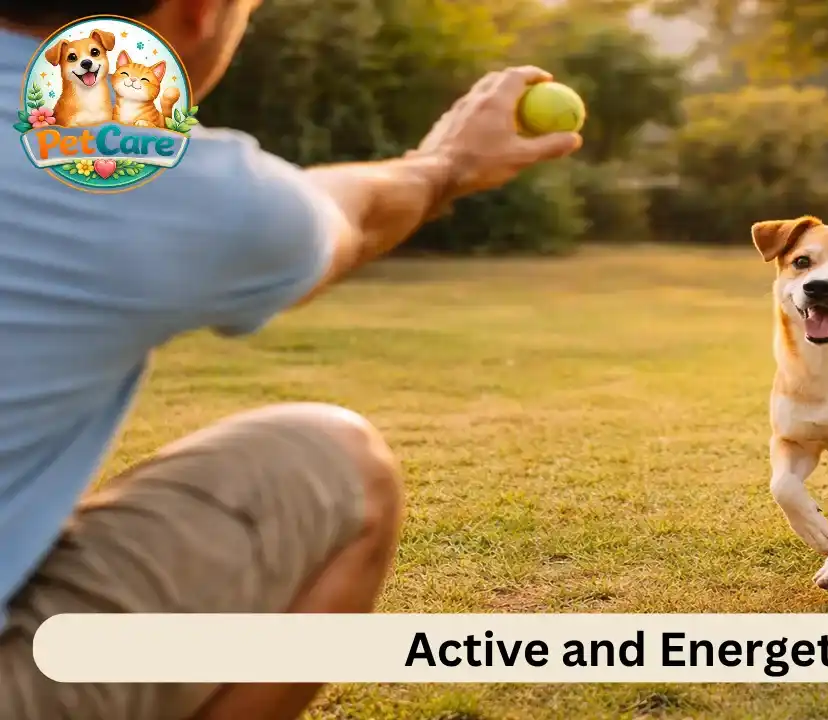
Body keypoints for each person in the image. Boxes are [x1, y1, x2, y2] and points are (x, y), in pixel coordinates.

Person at [0, 0, 582, 717]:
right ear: (202, 11)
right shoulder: (125, 170)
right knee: (334, 467)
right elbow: (348, 214)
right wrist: (445, 164)